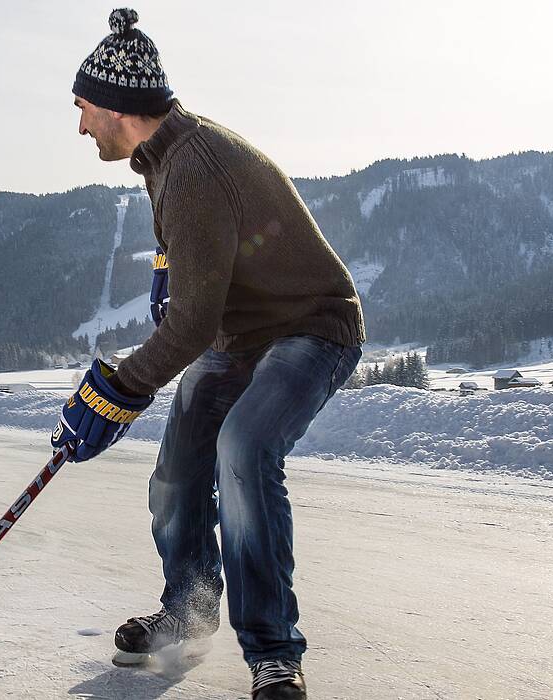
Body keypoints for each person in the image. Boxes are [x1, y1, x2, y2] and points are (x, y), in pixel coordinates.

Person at [51, 10, 364, 699]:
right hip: (242, 335)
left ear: (115, 107)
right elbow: (196, 285)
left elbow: (190, 326)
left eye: (81, 109)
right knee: (177, 470)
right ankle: (187, 610)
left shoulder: (191, 167)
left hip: (311, 327)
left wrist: (114, 393)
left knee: (243, 448)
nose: (79, 126)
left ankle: (274, 652)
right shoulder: (164, 158)